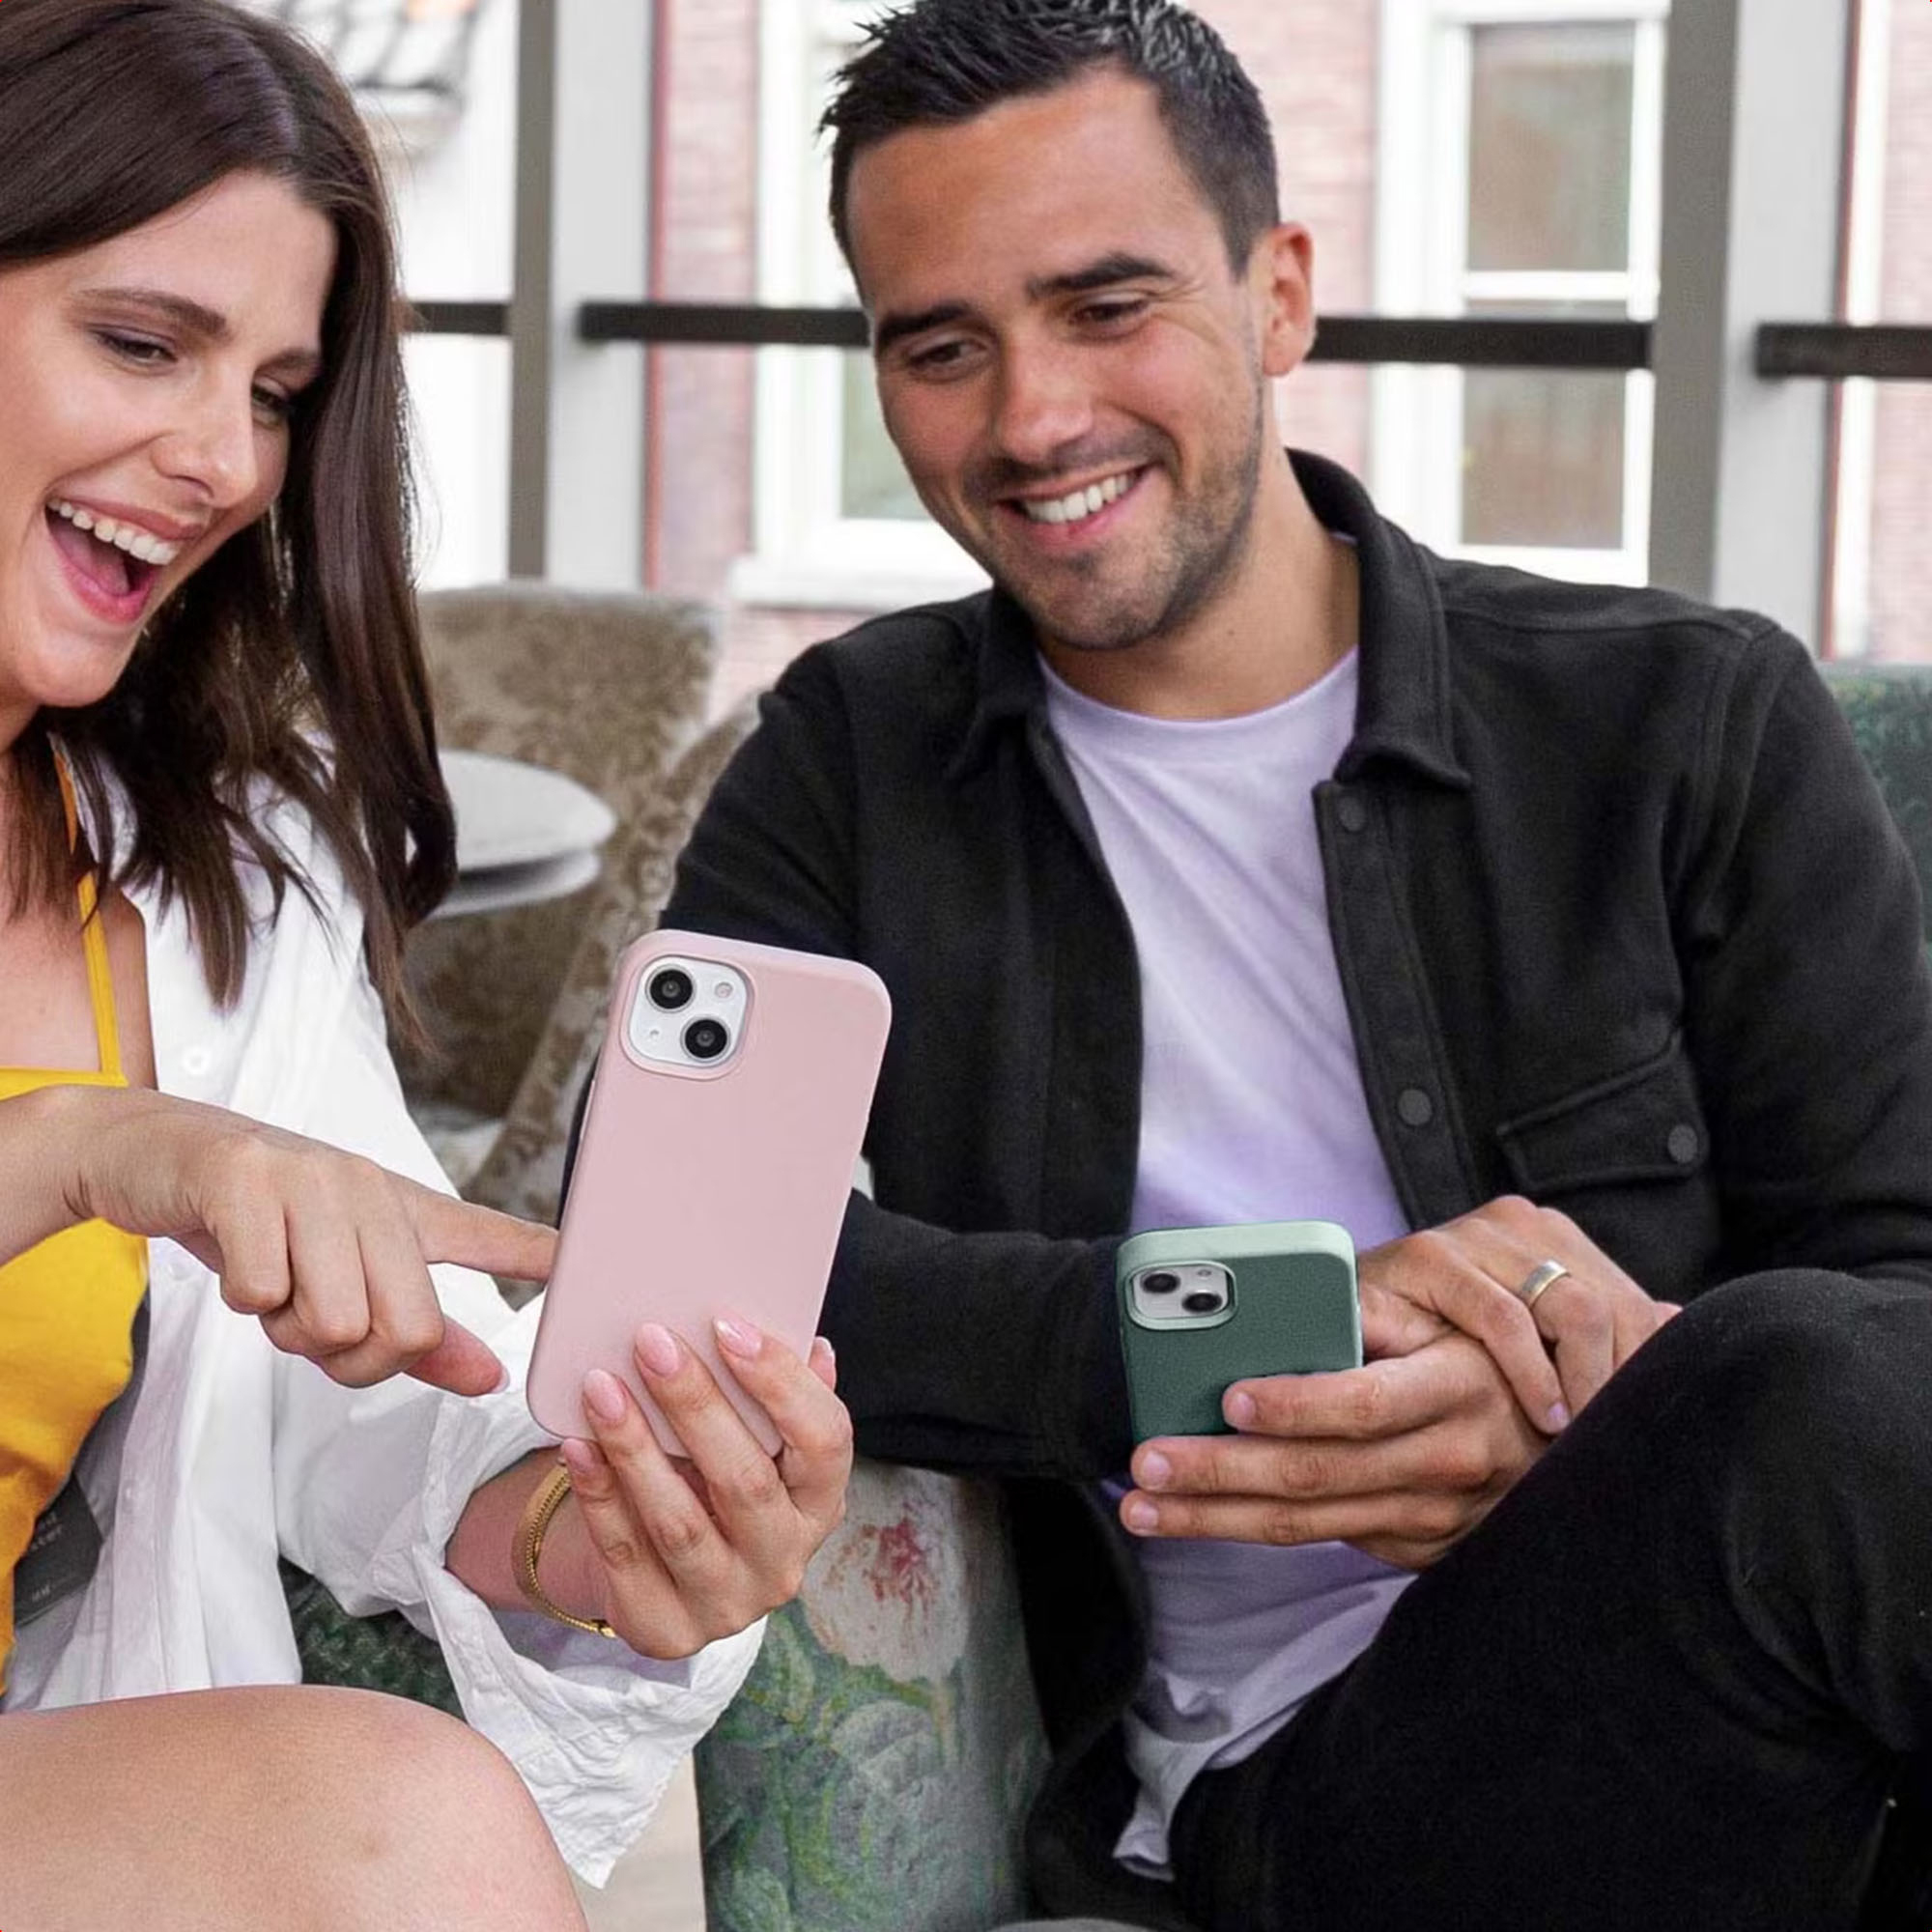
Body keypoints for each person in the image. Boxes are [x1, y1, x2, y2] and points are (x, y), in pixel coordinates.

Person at [656, 1, 1932, 1927]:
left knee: (1800, 1388)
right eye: (941, 347)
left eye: (1107, 306)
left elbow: (1900, 1297)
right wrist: (1215, 1329)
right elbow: (674, 1260)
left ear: (1279, 294)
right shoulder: (855, 755)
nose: (1031, 420)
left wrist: (1601, 1415)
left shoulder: (1684, 720)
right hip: (1316, 1796)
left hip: (1779, 1709)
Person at [0, 2, 851, 1926]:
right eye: (141, 342)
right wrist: (82, 1149)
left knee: (410, 1820)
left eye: (278, 392)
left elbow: (361, 1392)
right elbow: (132, 1164)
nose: (219, 458)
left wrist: (588, 1529)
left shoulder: (210, 874)